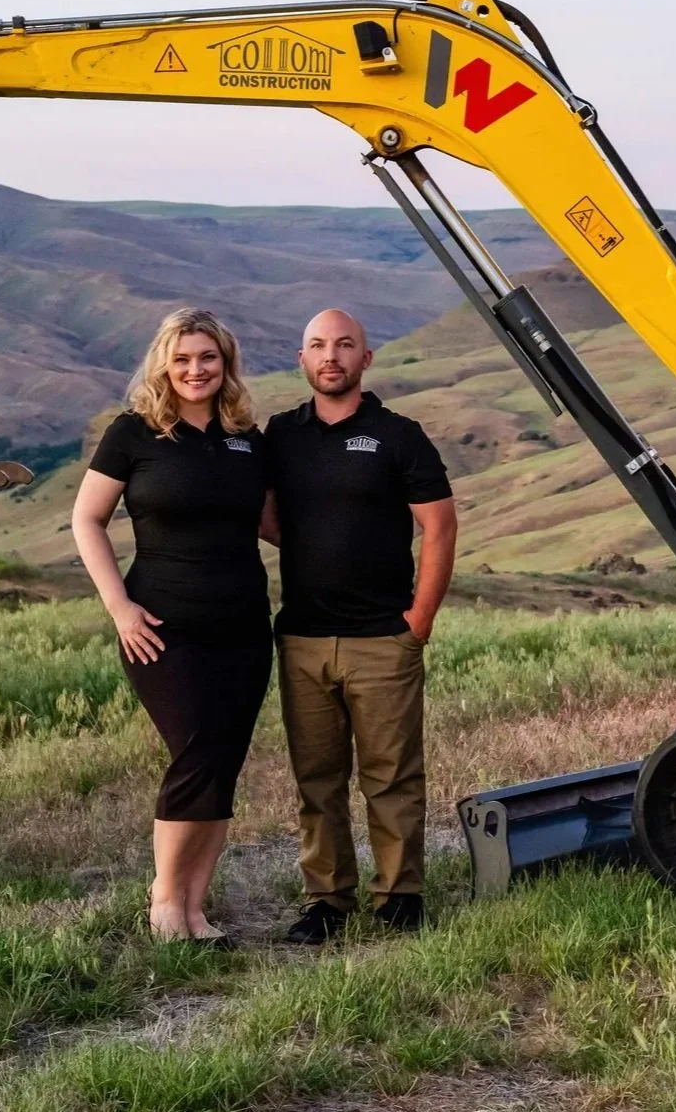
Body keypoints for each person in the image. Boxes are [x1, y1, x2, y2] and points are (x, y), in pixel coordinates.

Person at [72, 308, 270, 945]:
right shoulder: (132, 434)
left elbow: (275, 525)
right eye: (182, 359)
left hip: (243, 624)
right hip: (159, 624)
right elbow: (87, 520)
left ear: (225, 363)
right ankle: (164, 900)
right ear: (163, 363)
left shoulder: (246, 436)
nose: (195, 370)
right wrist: (119, 609)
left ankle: (195, 907)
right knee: (196, 754)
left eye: (207, 358)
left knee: (224, 761)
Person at [262, 309, 456, 943]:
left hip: (383, 639)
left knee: (391, 776)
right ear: (302, 359)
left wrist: (418, 622)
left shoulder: (399, 435)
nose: (331, 355)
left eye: (345, 345)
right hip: (302, 638)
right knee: (316, 780)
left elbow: (440, 526)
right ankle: (327, 902)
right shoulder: (280, 435)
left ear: (366, 359)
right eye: (317, 344)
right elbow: (263, 518)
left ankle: (400, 897)